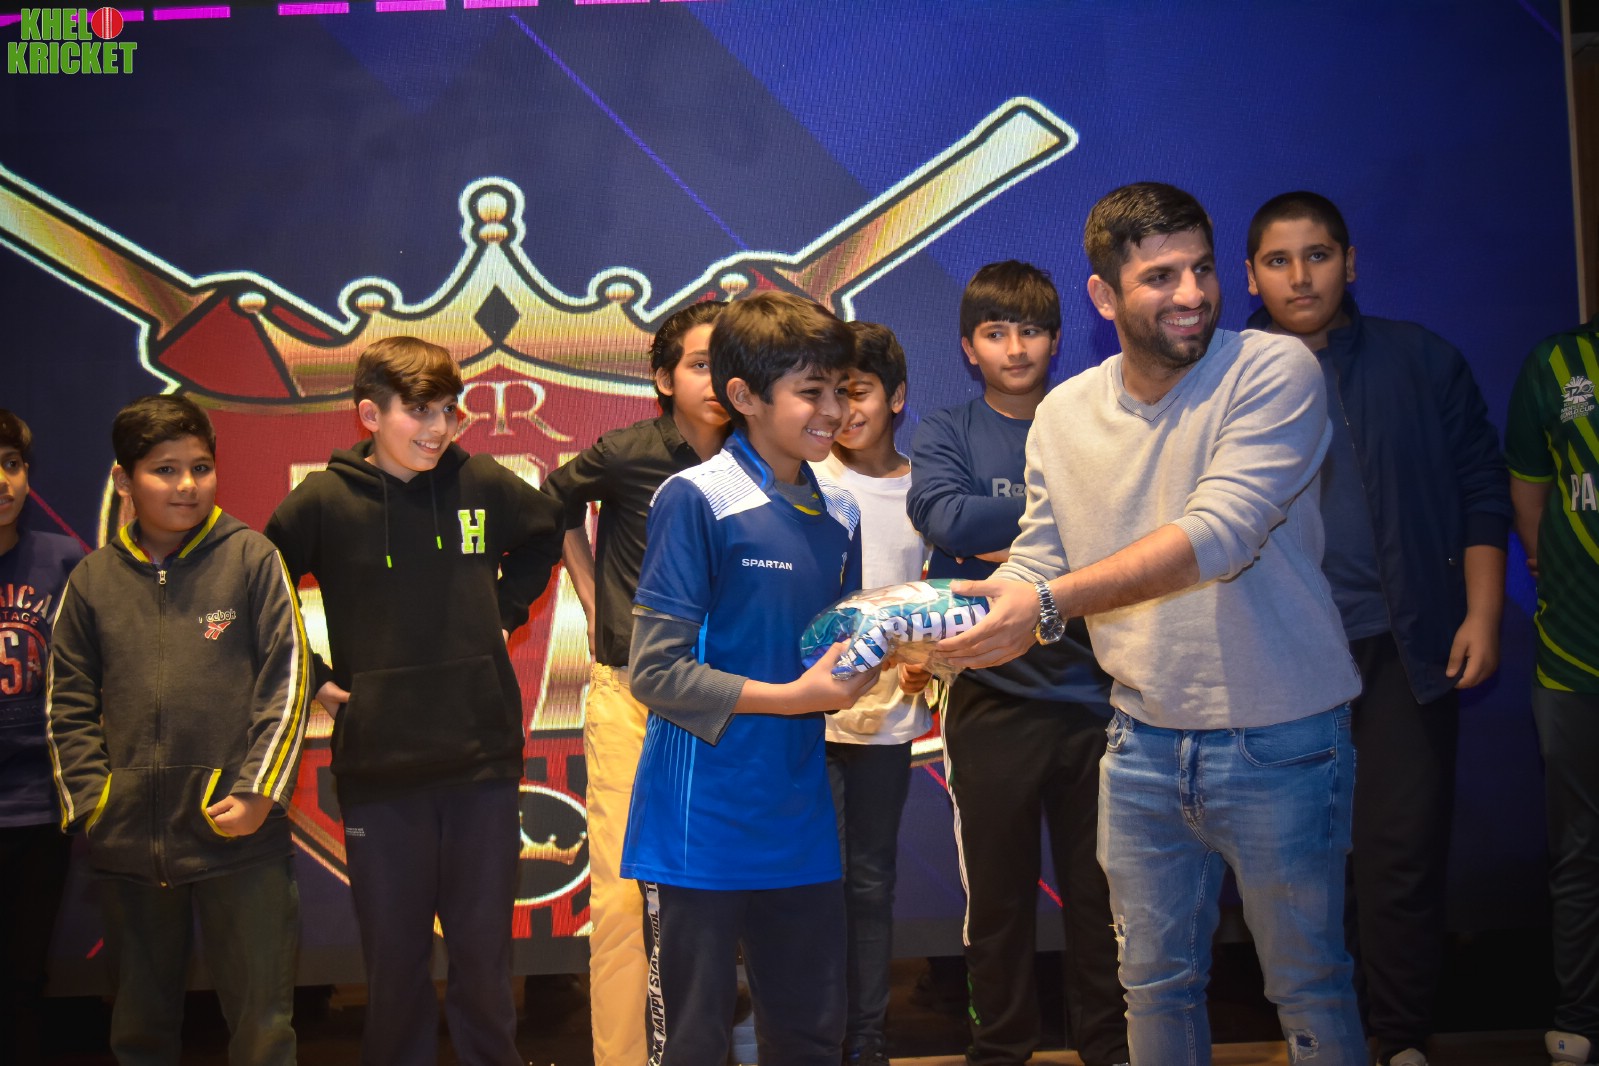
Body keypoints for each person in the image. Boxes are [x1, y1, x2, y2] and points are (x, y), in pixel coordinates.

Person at [941, 182, 1365, 1066]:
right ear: (1103, 295)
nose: (1192, 294)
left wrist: (1045, 605)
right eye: (1160, 276)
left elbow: (1220, 534)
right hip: (1138, 740)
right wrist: (960, 615)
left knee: (1307, 985)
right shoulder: (1064, 413)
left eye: (1202, 269)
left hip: (1281, 737)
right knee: (1152, 986)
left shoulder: (1273, 369)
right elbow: (1039, 552)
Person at [1243, 191, 1510, 1066]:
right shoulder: (1219, 375)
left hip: (1404, 647)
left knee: (1399, 854)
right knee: (1297, 865)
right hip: (1279, 656)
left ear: (1350, 262)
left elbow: (1481, 487)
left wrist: (1480, 613)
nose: (1299, 276)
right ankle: (1319, 1034)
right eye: (1277, 261)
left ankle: (1396, 1037)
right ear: (1250, 277)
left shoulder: (1419, 361)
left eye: (1317, 255)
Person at [264, 336, 565, 1066]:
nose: (438, 427)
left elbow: (544, 534)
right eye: (419, 411)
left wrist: (504, 612)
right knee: (395, 965)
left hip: (481, 762)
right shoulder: (324, 501)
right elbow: (258, 592)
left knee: (483, 961)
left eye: (449, 410)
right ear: (370, 414)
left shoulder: (481, 481)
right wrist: (314, 676)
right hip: (380, 768)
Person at [620, 290, 881, 1065]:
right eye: (811, 391)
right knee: (694, 1045)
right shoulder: (695, 497)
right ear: (744, 396)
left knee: (810, 1040)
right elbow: (655, 673)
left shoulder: (842, 511)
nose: (833, 410)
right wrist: (798, 698)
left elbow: (831, 651)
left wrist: (909, 644)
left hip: (800, 821)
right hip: (697, 826)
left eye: (841, 389)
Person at [907, 261, 1127, 1066]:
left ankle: (1110, 1047)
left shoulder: (1091, 422)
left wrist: (1011, 540)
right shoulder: (947, 430)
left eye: (1029, 330)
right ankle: (999, 1049)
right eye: (995, 333)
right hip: (990, 699)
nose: (1014, 348)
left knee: (1101, 902)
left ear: (1056, 340)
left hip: (1096, 698)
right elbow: (945, 520)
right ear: (969, 347)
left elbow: (1128, 526)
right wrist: (1067, 527)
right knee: (996, 904)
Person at [46, 394, 309, 1065]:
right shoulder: (92, 581)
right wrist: (96, 801)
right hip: (129, 842)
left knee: (263, 1031)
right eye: (165, 470)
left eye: (200, 467)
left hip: (240, 836)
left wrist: (258, 793)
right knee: (139, 1030)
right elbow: (67, 700)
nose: (187, 485)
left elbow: (287, 682)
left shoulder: (252, 558)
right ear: (124, 480)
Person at [541, 300, 730, 1065]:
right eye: (699, 364)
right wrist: (592, 595)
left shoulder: (762, 458)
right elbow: (549, 501)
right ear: (662, 378)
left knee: (723, 894)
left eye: (728, 362)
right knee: (623, 897)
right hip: (632, 696)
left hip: (730, 702)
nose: (716, 379)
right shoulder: (626, 454)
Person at [812, 321, 931, 1066]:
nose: (842, 410)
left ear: (897, 397)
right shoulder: (808, 481)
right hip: (807, 716)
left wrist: (927, 662)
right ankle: (814, 1037)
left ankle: (867, 1039)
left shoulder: (926, 491)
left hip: (887, 720)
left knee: (870, 880)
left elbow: (935, 601)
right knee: (813, 879)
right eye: (827, 392)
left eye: (856, 391)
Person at [1505, 316, 1599, 1066]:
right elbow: (1529, 511)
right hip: (1575, 651)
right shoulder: (1560, 363)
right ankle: (1582, 1016)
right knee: (1580, 848)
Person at [0, 410, 85, 1064]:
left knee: (23, 976)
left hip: (38, 803)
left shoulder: (63, 559)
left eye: (11, 464)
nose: (2, 482)